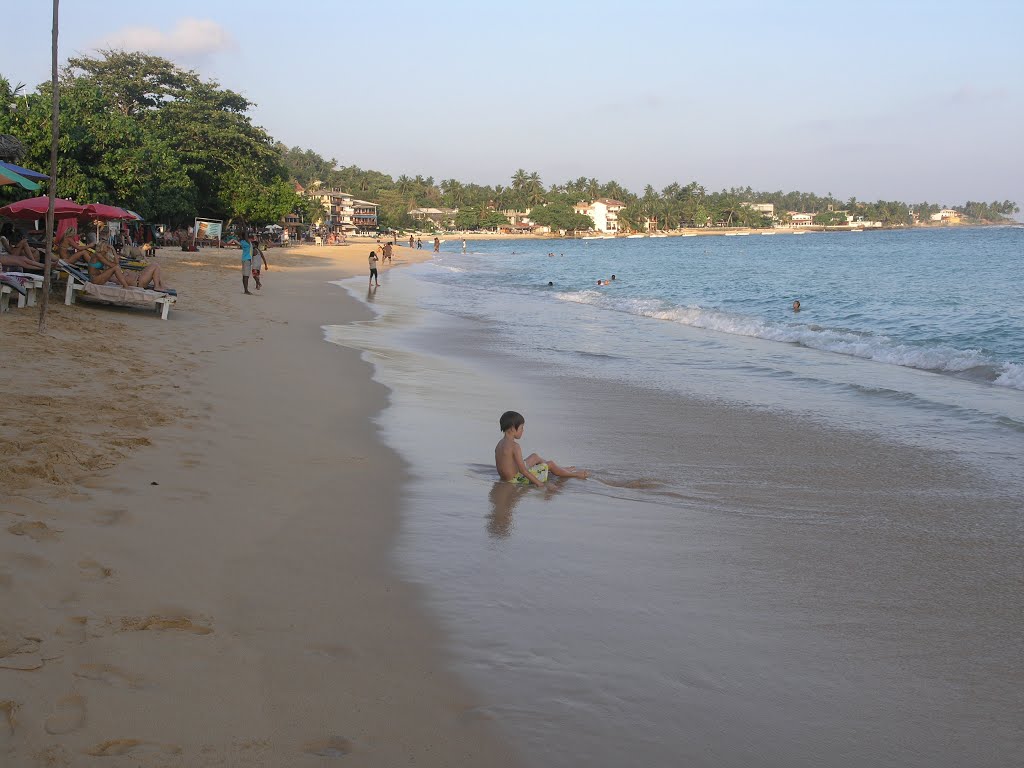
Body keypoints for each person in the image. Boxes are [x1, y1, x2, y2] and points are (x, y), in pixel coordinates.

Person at [495, 410, 588, 487]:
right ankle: (574, 474)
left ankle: (560, 469)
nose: (523, 430)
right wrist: (539, 484)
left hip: (508, 477)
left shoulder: (499, 444)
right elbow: (523, 470)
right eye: (521, 428)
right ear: (512, 428)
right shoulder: (515, 446)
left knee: (534, 456)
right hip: (516, 479)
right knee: (550, 464)